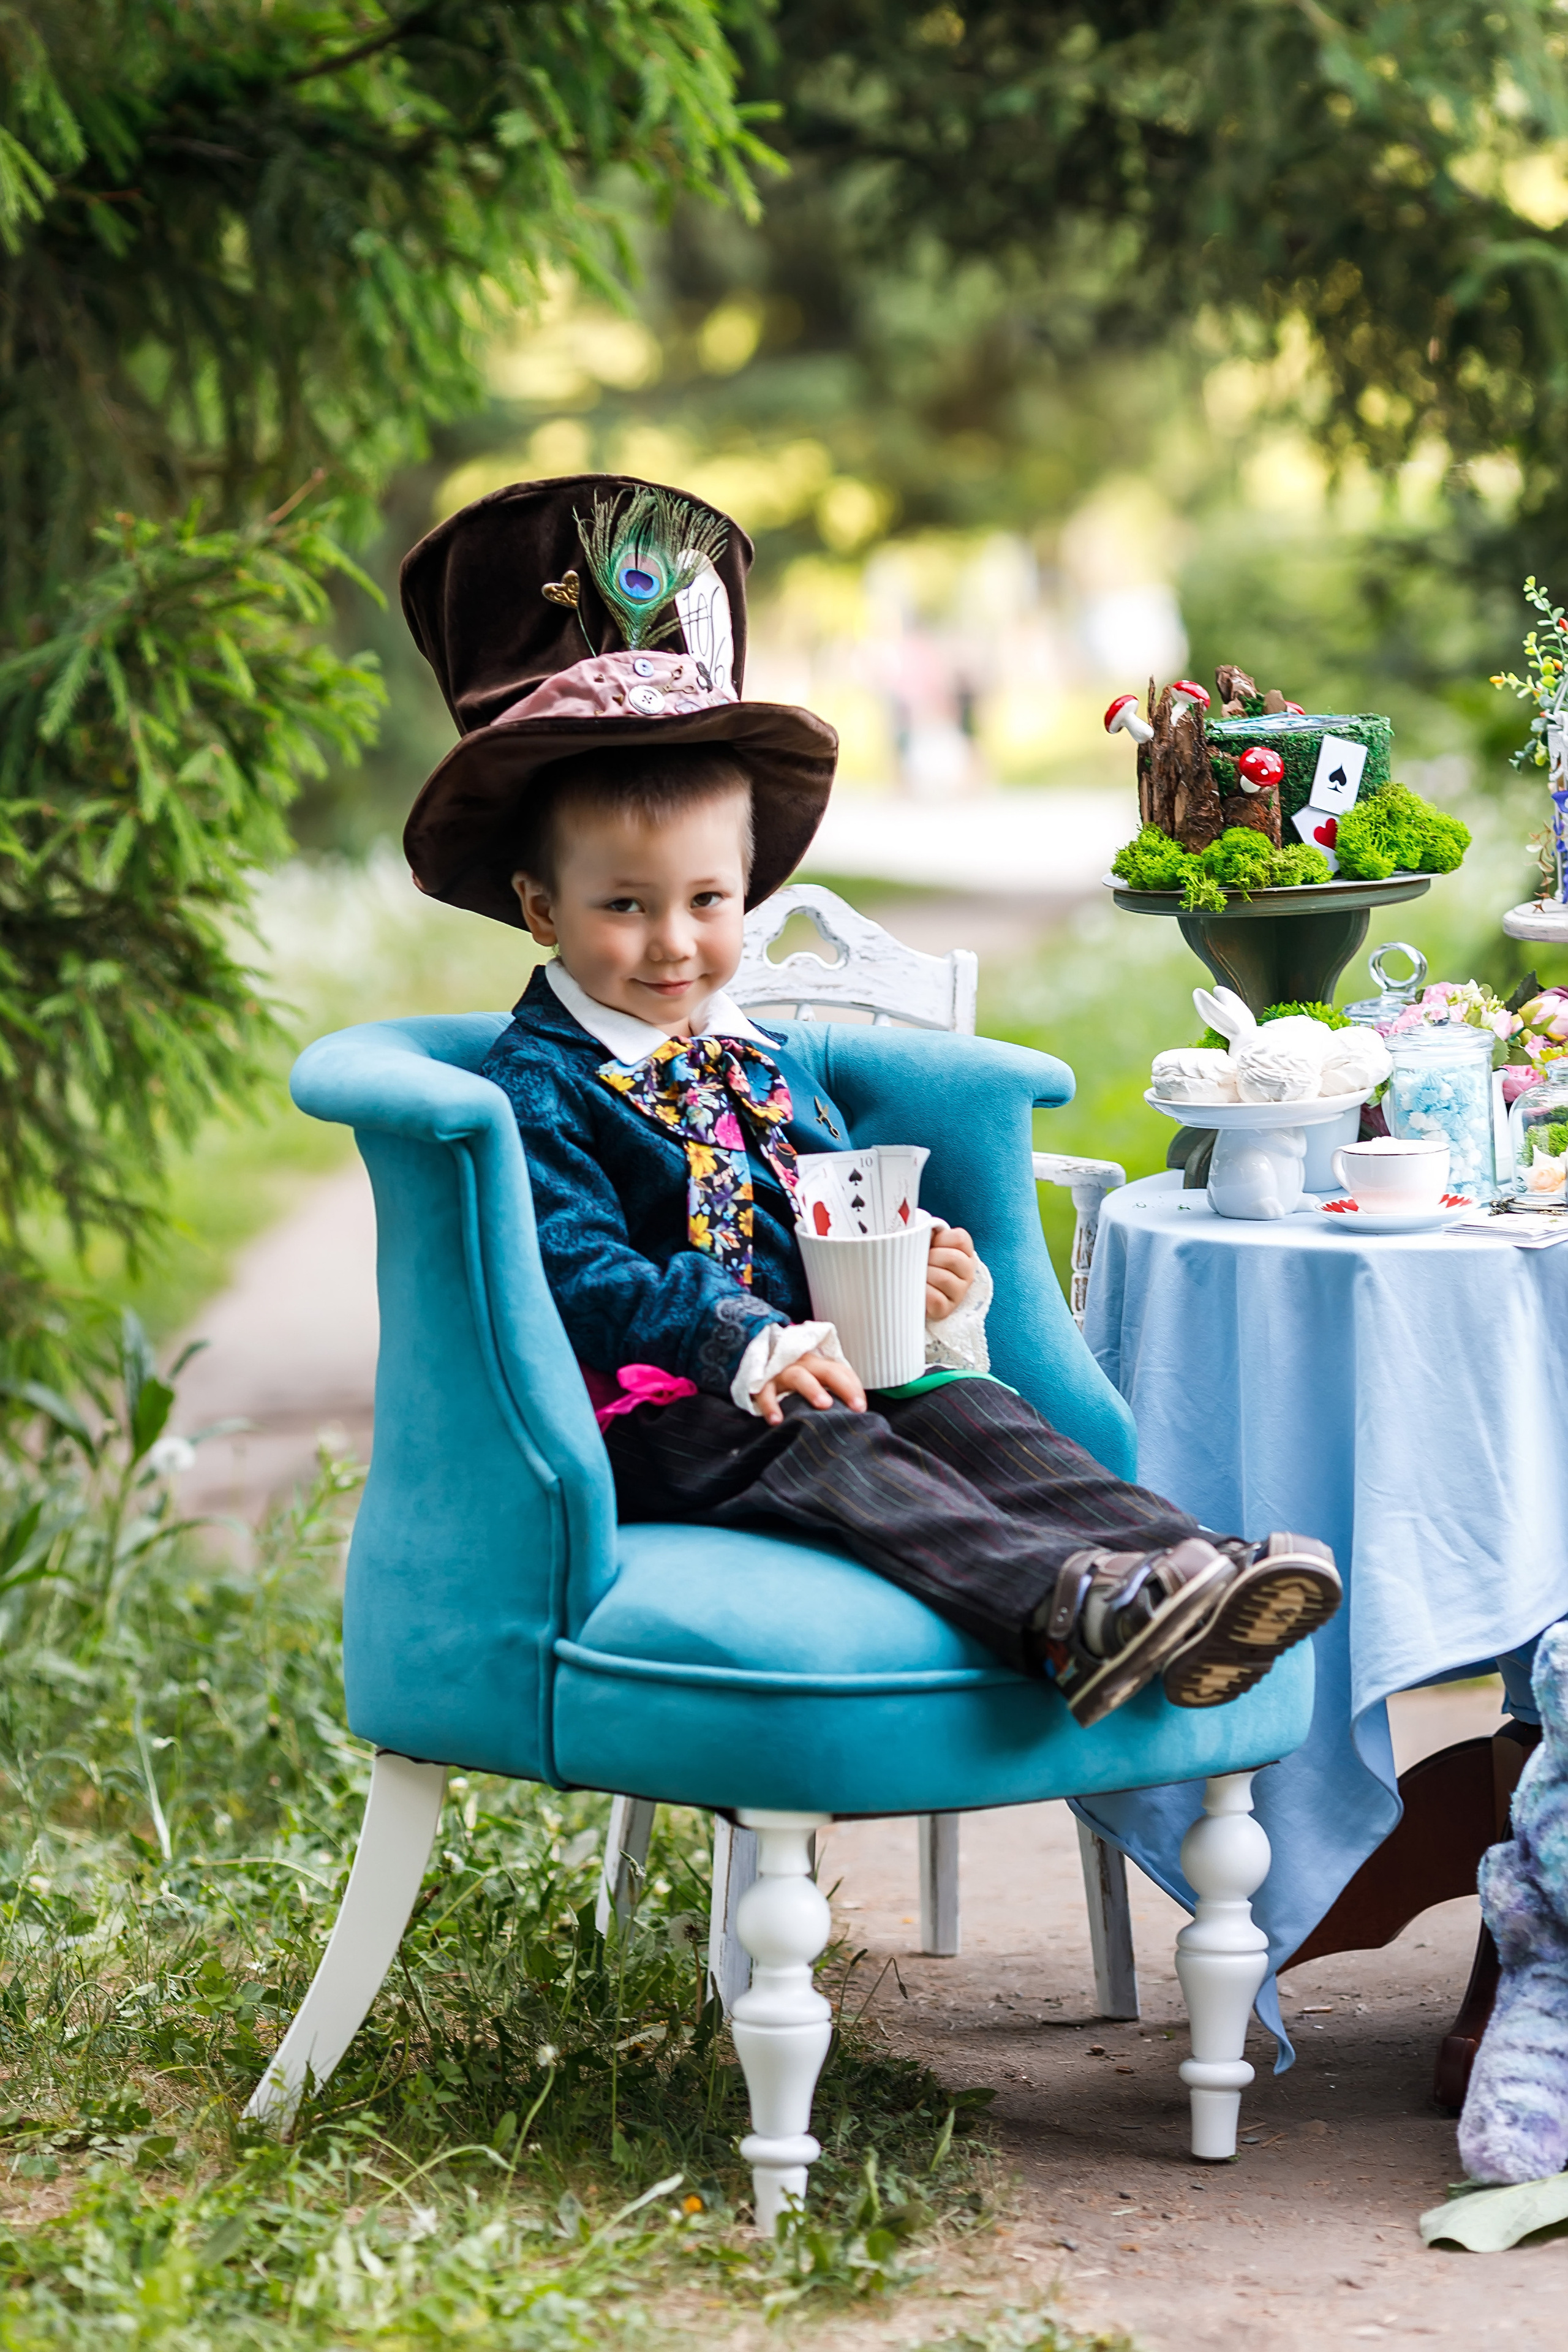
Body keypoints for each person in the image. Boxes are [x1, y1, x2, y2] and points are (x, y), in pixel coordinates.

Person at [398, 470, 1341, 1730]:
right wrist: (739, 1337)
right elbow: (574, 1268)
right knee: (832, 1450)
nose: (672, 945)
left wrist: (919, 1276)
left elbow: (822, 1200)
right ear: (539, 910)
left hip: (826, 1365)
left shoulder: (755, 1060)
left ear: (744, 894)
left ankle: (1188, 1571)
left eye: (706, 903)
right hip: (656, 1417)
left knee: (971, 1410)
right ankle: (1072, 1606)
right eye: (623, 907)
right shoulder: (541, 1084)